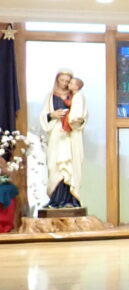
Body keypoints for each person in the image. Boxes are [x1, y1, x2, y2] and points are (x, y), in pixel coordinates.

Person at [39, 69, 84, 208]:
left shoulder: (75, 96)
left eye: (67, 81)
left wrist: (78, 121)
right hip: (56, 135)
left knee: (70, 167)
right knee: (55, 166)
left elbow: (83, 114)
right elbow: (43, 116)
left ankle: (71, 200)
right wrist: (52, 115)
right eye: (62, 80)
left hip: (71, 136)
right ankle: (55, 200)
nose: (64, 83)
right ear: (57, 80)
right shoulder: (51, 97)